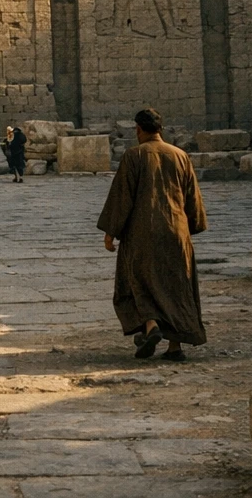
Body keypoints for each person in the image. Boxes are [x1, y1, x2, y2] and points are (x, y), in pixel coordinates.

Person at [97, 107, 208, 362]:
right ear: (161, 129)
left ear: (138, 130)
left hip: (141, 233)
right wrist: (190, 227)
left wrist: (110, 233)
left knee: (140, 281)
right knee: (176, 286)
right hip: (176, 231)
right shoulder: (181, 156)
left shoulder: (134, 156)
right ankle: (174, 347)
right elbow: (193, 199)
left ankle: (150, 326)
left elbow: (122, 197)